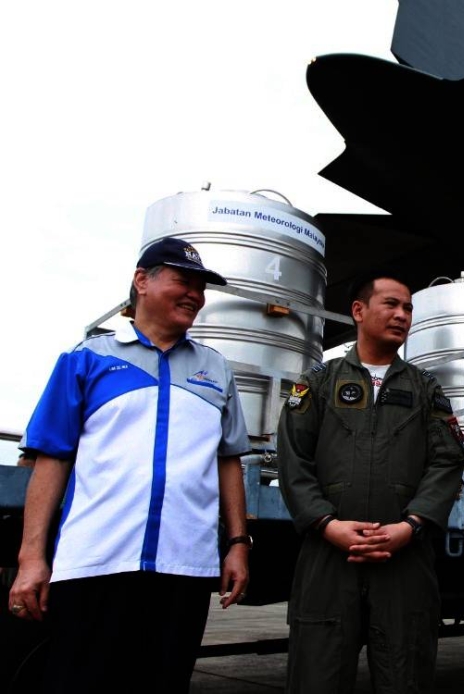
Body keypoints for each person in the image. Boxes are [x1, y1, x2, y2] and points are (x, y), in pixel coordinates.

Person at [7, 236, 251, 692]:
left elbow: (229, 460)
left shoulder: (215, 368)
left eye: (202, 287)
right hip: (95, 562)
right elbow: (51, 458)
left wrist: (237, 543)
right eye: (183, 281)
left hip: (185, 567)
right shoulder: (88, 358)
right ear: (142, 281)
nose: (195, 295)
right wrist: (31, 559)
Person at [276, 272, 464, 694]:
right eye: (391, 304)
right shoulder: (317, 383)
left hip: (403, 557)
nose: (402, 315)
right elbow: (294, 460)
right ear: (359, 311)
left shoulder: (426, 388)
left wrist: (412, 525)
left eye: (408, 308)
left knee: (406, 674)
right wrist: (327, 525)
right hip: (328, 556)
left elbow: (448, 459)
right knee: (317, 675)